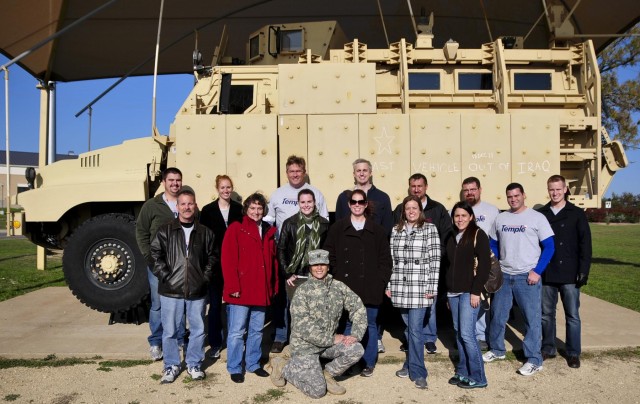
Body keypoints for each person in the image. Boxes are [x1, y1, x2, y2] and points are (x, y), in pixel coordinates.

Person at [269, 249, 367, 398]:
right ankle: (282, 366)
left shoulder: (338, 287)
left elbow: (358, 307)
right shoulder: (302, 292)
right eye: (315, 265)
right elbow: (303, 327)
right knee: (317, 391)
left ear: (328, 266)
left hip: (327, 345)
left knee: (356, 348)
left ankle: (327, 374)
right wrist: (331, 339)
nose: (319, 268)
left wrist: (355, 334)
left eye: (323, 264)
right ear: (310, 268)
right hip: (305, 346)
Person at [484, 183, 555, 376]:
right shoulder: (501, 218)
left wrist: (537, 271)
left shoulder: (537, 218)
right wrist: (497, 264)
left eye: (516, 195)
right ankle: (497, 350)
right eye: (510, 196)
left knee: (531, 319)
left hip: (527, 276)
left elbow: (549, 247)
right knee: (498, 315)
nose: (513, 199)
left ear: (524, 195)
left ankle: (534, 359)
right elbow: (493, 243)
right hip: (505, 276)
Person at [150, 189, 216, 384]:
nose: (187, 207)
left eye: (191, 203)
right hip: (171, 290)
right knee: (169, 331)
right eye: (183, 204)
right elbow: (155, 255)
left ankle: (194, 363)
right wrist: (166, 276)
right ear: (177, 207)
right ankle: (171, 365)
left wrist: (204, 278)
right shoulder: (165, 230)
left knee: (197, 329)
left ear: (195, 205)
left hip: (197, 290)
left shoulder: (205, 232)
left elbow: (212, 257)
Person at [324, 189, 392, 377]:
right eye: (353, 202)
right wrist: (337, 277)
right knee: (347, 325)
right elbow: (330, 255)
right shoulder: (338, 228)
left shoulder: (377, 230)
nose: (357, 205)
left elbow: (385, 260)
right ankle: (348, 362)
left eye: (360, 202)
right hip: (345, 287)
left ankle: (368, 363)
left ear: (366, 204)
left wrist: (380, 282)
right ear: (348, 204)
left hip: (371, 287)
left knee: (370, 325)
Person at [266, 155, 329, 354]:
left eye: (298, 171)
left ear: (304, 172)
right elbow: (269, 221)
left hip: (312, 261)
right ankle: (281, 336)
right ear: (287, 173)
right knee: (284, 302)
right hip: (288, 257)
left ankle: (310, 338)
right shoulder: (277, 194)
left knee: (311, 304)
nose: (295, 174)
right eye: (291, 171)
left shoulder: (316, 193)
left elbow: (324, 223)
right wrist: (285, 268)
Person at [335, 158, 394, 354]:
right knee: (349, 311)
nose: (361, 173)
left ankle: (375, 337)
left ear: (370, 172)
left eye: (365, 170)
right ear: (354, 173)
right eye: (358, 170)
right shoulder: (344, 197)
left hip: (373, 257)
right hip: (350, 264)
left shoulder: (383, 197)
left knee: (373, 304)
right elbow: (340, 228)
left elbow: (387, 227)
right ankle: (348, 351)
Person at [222, 192, 279, 383]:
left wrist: (273, 285)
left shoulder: (269, 230)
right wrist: (232, 286)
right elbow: (228, 260)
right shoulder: (236, 229)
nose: (256, 211)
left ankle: (253, 363)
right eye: (252, 208)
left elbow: (273, 262)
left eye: (259, 208)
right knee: (237, 331)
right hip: (241, 290)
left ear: (264, 210)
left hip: (261, 289)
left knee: (256, 330)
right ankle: (235, 366)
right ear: (246, 209)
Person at [393, 173, 453, 354]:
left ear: (426, 187)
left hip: (427, 269)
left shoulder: (438, 209)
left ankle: (428, 338)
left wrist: (437, 256)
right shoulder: (399, 209)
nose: (417, 189)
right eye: (413, 186)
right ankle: (411, 336)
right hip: (406, 271)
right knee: (406, 307)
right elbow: (396, 236)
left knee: (429, 306)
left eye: (420, 186)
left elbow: (446, 234)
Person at [537, 175, 592, 369]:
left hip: (570, 272)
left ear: (565, 189)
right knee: (546, 314)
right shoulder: (541, 213)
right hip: (548, 272)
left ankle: (573, 352)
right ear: (548, 190)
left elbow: (586, 244)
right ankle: (548, 348)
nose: (555, 193)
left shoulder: (576, 213)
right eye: (552, 189)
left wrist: (583, 270)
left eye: (558, 189)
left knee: (572, 315)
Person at [387, 195, 440, 389]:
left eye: (414, 208)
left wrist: (432, 287)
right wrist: (389, 286)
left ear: (420, 210)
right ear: (403, 211)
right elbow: (391, 260)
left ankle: (418, 372)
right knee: (409, 329)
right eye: (407, 208)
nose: (411, 211)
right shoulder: (396, 230)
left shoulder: (429, 229)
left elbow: (435, 261)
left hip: (420, 287)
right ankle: (409, 364)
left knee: (416, 330)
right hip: (401, 287)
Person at [135, 167, 186, 361]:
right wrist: (149, 257)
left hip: (182, 264)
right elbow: (141, 232)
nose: (175, 184)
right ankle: (156, 342)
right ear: (164, 182)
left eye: (178, 180)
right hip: (158, 263)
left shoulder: (185, 203)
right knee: (158, 304)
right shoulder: (152, 206)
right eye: (171, 180)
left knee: (180, 303)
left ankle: (180, 339)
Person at [446, 201, 490, 389]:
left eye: (464, 215)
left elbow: (485, 266)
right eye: (457, 215)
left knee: (467, 334)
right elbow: (448, 265)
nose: (460, 219)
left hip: (468, 292)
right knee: (458, 333)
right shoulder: (451, 235)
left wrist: (476, 291)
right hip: (452, 293)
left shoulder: (478, 235)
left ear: (471, 217)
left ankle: (479, 377)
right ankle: (463, 371)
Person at [199, 175, 243, 359]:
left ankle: (236, 341)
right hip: (216, 265)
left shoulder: (239, 209)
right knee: (215, 305)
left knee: (235, 304)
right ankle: (216, 342)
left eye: (229, 187)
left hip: (235, 264)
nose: (226, 190)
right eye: (223, 187)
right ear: (217, 189)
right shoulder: (208, 211)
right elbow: (203, 238)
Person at [460, 177, 500, 350]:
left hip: (483, 263)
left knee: (483, 299)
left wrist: (492, 262)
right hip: (464, 265)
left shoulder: (492, 210)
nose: (470, 193)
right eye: (466, 190)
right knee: (467, 299)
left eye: (473, 189)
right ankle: (466, 334)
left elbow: (497, 240)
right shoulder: (459, 210)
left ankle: (481, 335)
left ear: (480, 190)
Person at [277, 189, 330, 299]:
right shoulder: (289, 223)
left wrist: (325, 274)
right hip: (295, 277)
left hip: (317, 276)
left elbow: (328, 251)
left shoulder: (324, 224)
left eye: (309, 202)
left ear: (314, 202)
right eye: (303, 202)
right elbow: (281, 249)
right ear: (298, 203)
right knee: (296, 313)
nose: (306, 205)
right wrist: (287, 274)